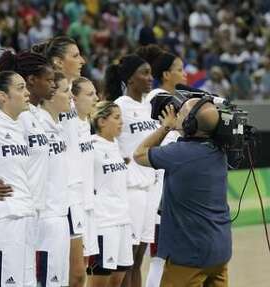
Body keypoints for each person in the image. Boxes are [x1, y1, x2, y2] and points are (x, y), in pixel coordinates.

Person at [133, 99, 231, 287]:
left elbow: (139, 154)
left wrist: (166, 127)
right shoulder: (220, 150)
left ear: (190, 123)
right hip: (220, 250)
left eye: (181, 114)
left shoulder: (177, 154)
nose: (177, 116)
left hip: (189, 255)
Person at [0, 49, 56, 287]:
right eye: (49, 79)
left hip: (34, 210)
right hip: (13, 212)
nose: (52, 84)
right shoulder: (9, 117)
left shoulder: (34, 115)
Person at [33, 36, 87, 287]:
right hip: (55, 197)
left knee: (75, 275)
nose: (82, 60)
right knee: (69, 275)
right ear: (57, 61)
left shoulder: (70, 95)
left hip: (76, 191)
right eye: (75, 55)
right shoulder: (46, 103)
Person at [136, 44, 187, 287]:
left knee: (164, 258)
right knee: (158, 258)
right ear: (166, 74)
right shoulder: (159, 99)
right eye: (180, 69)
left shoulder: (170, 99)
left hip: (164, 184)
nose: (185, 74)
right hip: (157, 186)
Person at [104, 54, 155, 287]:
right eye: (144, 73)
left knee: (138, 260)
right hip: (130, 189)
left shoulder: (148, 106)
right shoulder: (119, 107)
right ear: (130, 79)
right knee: (127, 261)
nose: (150, 77)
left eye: (151, 72)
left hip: (149, 189)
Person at [0, 71, 35, 287]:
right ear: (3, 96)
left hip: (25, 214)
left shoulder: (20, 124)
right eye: (20, 88)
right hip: (2, 219)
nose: (27, 93)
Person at [87, 101, 133, 287]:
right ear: (101, 121)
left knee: (117, 281)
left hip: (123, 220)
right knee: (99, 281)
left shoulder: (117, 145)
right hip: (104, 223)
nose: (121, 122)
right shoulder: (91, 146)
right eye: (116, 117)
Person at [37, 72, 73, 286]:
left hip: (60, 213)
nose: (71, 97)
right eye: (66, 91)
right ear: (51, 95)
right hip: (45, 217)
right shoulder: (37, 125)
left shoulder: (58, 126)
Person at [71, 77, 99, 261]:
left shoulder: (87, 125)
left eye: (95, 93)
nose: (96, 98)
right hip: (74, 203)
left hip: (89, 203)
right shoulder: (68, 125)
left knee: (83, 271)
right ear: (73, 98)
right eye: (90, 94)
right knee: (75, 273)